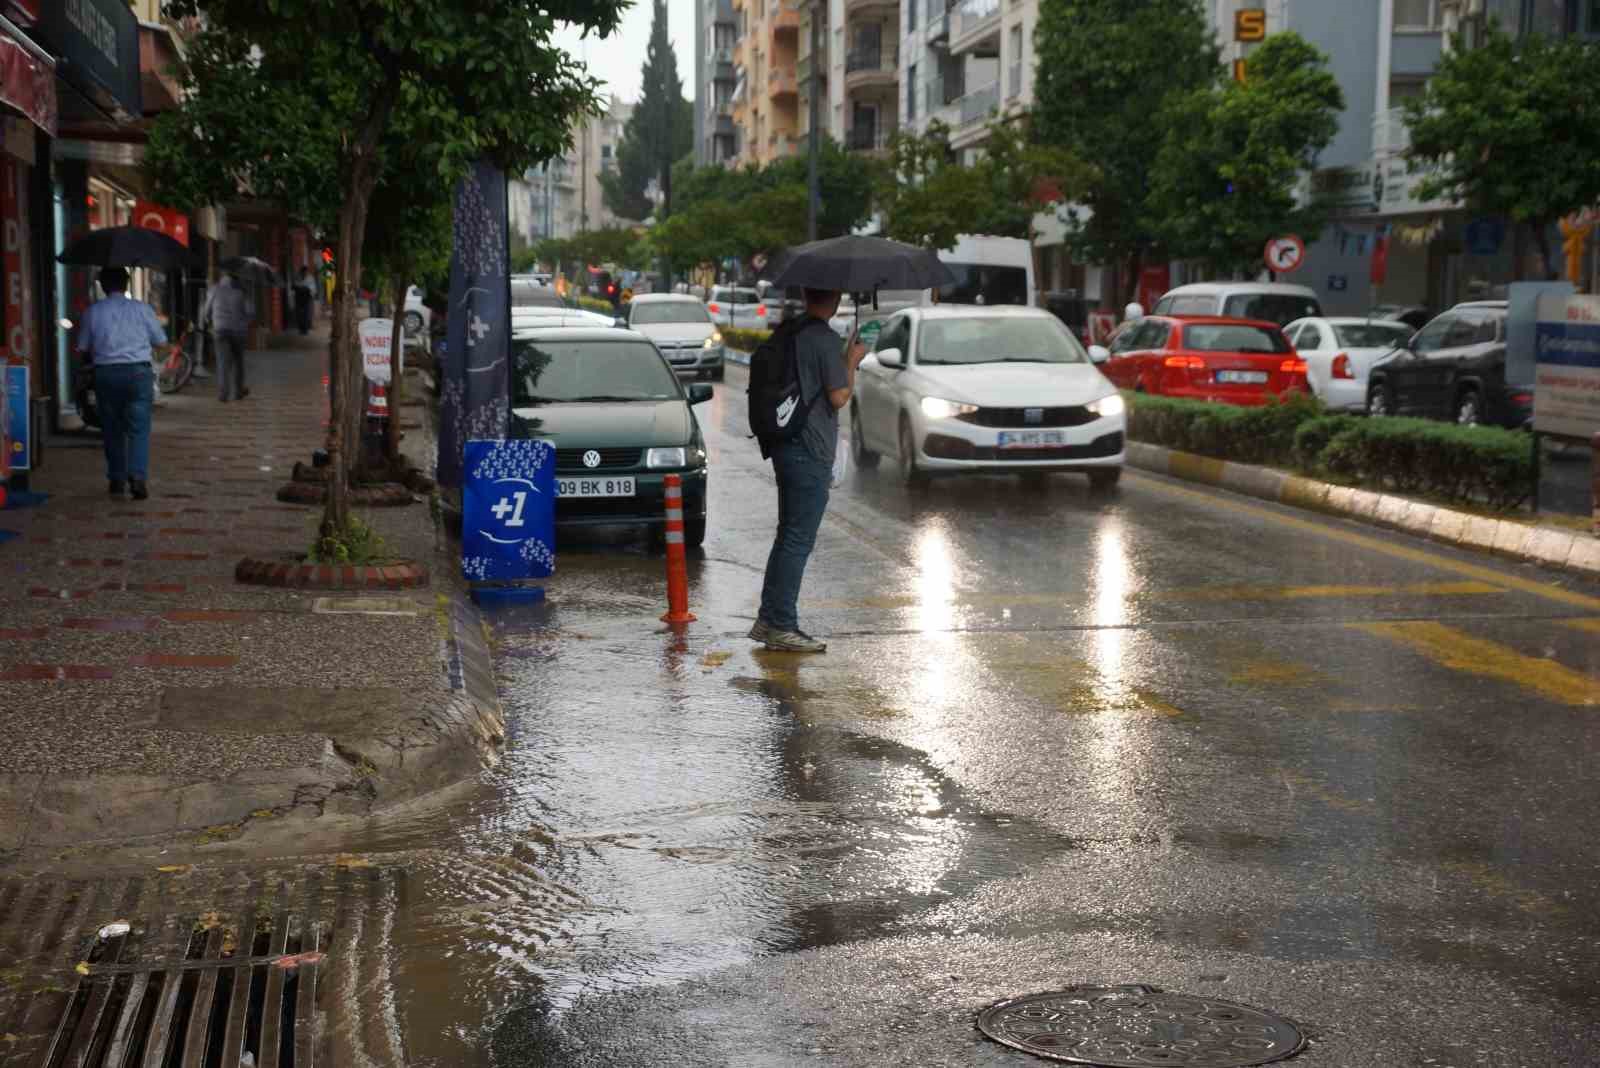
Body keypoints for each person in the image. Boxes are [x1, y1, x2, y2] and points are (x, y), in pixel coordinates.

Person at [750, 287, 868, 654]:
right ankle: (781, 625)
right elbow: (838, 396)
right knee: (797, 541)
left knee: (787, 538)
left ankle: (770, 619)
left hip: (787, 446)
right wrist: (852, 360)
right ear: (833, 300)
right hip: (809, 449)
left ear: (804, 294)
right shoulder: (823, 338)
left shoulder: (792, 330)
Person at [75, 267, 166, 500]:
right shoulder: (142, 309)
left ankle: (116, 478)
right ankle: (137, 477)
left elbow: (82, 348)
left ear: (103, 286)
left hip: (106, 374)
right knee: (138, 428)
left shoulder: (92, 312)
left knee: (112, 428)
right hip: (138, 373)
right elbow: (160, 340)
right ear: (126, 284)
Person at [202, 269, 253, 402]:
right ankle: (238, 392)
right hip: (238, 331)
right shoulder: (242, 291)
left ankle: (223, 394)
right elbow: (251, 311)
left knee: (222, 362)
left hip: (220, 330)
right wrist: (244, 323)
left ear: (223, 277)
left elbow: (207, 311)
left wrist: (209, 322)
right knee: (238, 362)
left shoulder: (214, 289)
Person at [293, 266, 317, 335]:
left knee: (307, 314)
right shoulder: (297, 277)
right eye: (303, 272)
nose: (304, 273)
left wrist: (308, 290)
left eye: (305, 272)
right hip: (299, 298)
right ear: (301, 272)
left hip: (307, 298)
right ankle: (301, 329)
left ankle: (305, 329)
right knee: (300, 314)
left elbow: (313, 289)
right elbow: (295, 286)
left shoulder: (310, 278)